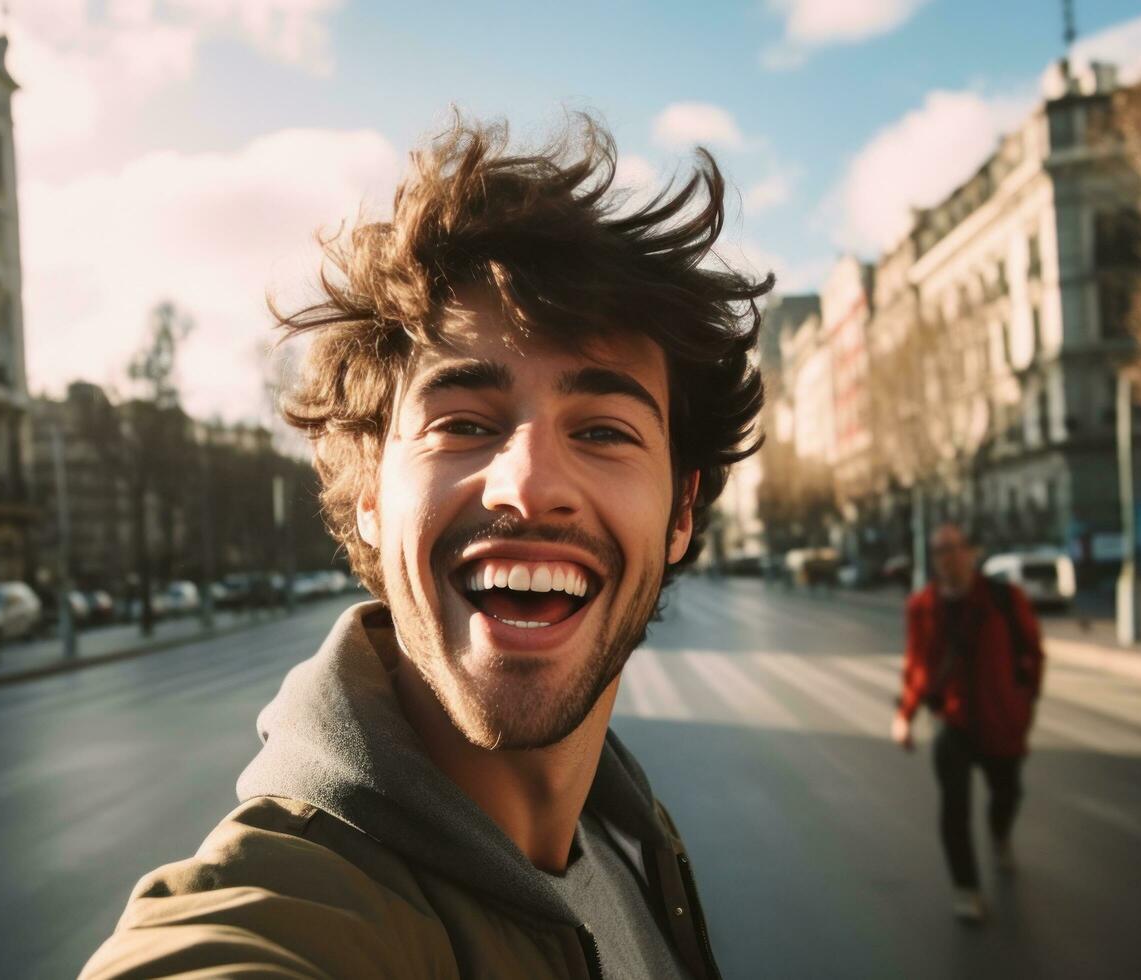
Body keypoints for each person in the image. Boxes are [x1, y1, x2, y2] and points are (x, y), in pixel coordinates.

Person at [79, 115, 770, 979]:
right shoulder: (294, 913)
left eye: (602, 430)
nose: (528, 484)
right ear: (370, 491)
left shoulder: (625, 833)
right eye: (464, 423)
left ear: (680, 512)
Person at [891, 522, 1045, 924]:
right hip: (954, 722)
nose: (949, 556)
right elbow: (918, 666)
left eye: (956, 548)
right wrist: (905, 715)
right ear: (934, 558)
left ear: (971, 553)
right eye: (941, 550)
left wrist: (1024, 704)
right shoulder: (922, 606)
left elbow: (1033, 654)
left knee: (1007, 794)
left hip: (1002, 724)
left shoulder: (1004, 598)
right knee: (954, 808)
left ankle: (1000, 835)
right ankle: (966, 888)